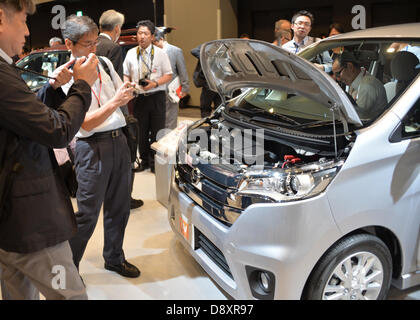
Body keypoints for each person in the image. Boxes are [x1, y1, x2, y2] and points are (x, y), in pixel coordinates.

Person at [0, 0, 98, 300]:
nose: (28, 32)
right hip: (31, 222)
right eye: (23, 22)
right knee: (69, 295)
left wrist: (53, 90)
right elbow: (57, 131)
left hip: (11, 222)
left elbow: (23, 119)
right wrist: (82, 87)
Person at [51, 14, 140, 279]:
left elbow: (114, 95)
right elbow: (85, 124)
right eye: (87, 44)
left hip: (118, 142)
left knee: (120, 206)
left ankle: (114, 258)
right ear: (69, 44)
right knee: (87, 215)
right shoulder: (66, 77)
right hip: (92, 149)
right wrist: (116, 102)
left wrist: (125, 90)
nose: (93, 49)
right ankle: (69, 269)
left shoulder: (102, 62)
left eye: (94, 42)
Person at [96, 9, 144, 210]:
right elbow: (115, 84)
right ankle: (125, 198)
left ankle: (107, 195)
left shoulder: (93, 44)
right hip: (114, 108)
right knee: (127, 153)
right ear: (117, 28)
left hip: (96, 109)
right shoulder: (113, 48)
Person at [123, 20, 172, 173]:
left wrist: (155, 84)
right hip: (139, 98)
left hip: (156, 96)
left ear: (152, 36)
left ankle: (155, 162)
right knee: (141, 131)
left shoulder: (160, 53)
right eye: (139, 33)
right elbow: (125, 74)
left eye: (145, 33)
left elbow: (169, 75)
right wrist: (128, 85)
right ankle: (144, 161)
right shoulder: (131, 53)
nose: (142, 36)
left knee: (157, 130)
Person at [332, 51, 387, 120]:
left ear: (350, 67)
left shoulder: (367, 85)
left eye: (338, 74)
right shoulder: (354, 81)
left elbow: (358, 118)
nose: (337, 79)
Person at [153, 28, 189, 129]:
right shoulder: (153, 51)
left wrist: (185, 88)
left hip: (171, 89)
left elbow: (182, 70)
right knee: (158, 118)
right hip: (156, 90)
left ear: (161, 39)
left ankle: (169, 140)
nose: (154, 44)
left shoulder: (175, 51)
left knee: (171, 118)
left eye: (155, 42)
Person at [191, 44, 221, 118]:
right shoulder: (208, 48)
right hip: (208, 83)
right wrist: (206, 57)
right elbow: (193, 51)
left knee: (219, 107)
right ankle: (206, 123)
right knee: (206, 107)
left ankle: (218, 124)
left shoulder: (225, 53)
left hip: (219, 84)